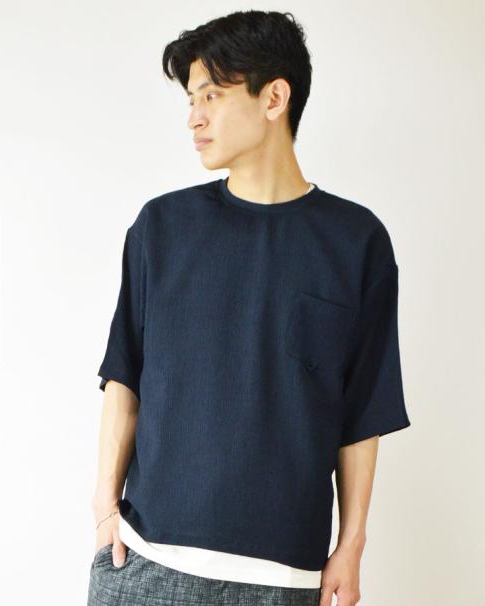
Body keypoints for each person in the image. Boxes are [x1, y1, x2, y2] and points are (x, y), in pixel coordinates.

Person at [88, 9, 411, 606]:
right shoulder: (162, 227)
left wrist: (351, 544)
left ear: (274, 98)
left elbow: (363, 408)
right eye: (191, 100)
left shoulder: (356, 242)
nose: (194, 117)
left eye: (211, 94)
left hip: (282, 579)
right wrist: (105, 506)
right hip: (147, 561)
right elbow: (124, 374)